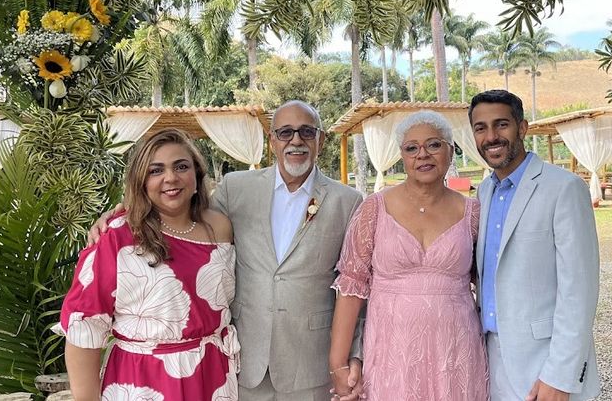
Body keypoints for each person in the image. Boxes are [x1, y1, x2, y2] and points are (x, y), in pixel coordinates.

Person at [88, 100, 365, 401]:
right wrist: (124, 212)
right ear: (272, 140)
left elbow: (356, 287)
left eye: (307, 132)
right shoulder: (236, 188)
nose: (296, 140)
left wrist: (353, 354)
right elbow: (183, 211)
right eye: (285, 132)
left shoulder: (348, 201)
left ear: (320, 140)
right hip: (242, 360)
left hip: (309, 362)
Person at [57, 128, 238, 400]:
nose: (171, 177)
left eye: (181, 166)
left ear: (197, 175)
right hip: (144, 380)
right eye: (156, 170)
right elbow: (85, 328)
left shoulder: (221, 228)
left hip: (212, 377)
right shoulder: (116, 236)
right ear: (141, 181)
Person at [329, 110, 489, 401]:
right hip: (391, 352)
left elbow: (487, 283)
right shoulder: (373, 209)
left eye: (434, 144)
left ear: (451, 151)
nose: (422, 154)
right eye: (412, 148)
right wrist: (338, 363)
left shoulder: (473, 213)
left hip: (455, 352)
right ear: (402, 156)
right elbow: (351, 287)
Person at [468, 90, 601, 401]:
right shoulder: (483, 192)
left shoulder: (564, 188)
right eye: (481, 128)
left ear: (522, 128)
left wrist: (560, 377)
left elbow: (579, 291)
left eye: (501, 124)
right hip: (493, 363)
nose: (491, 137)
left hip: (545, 366)